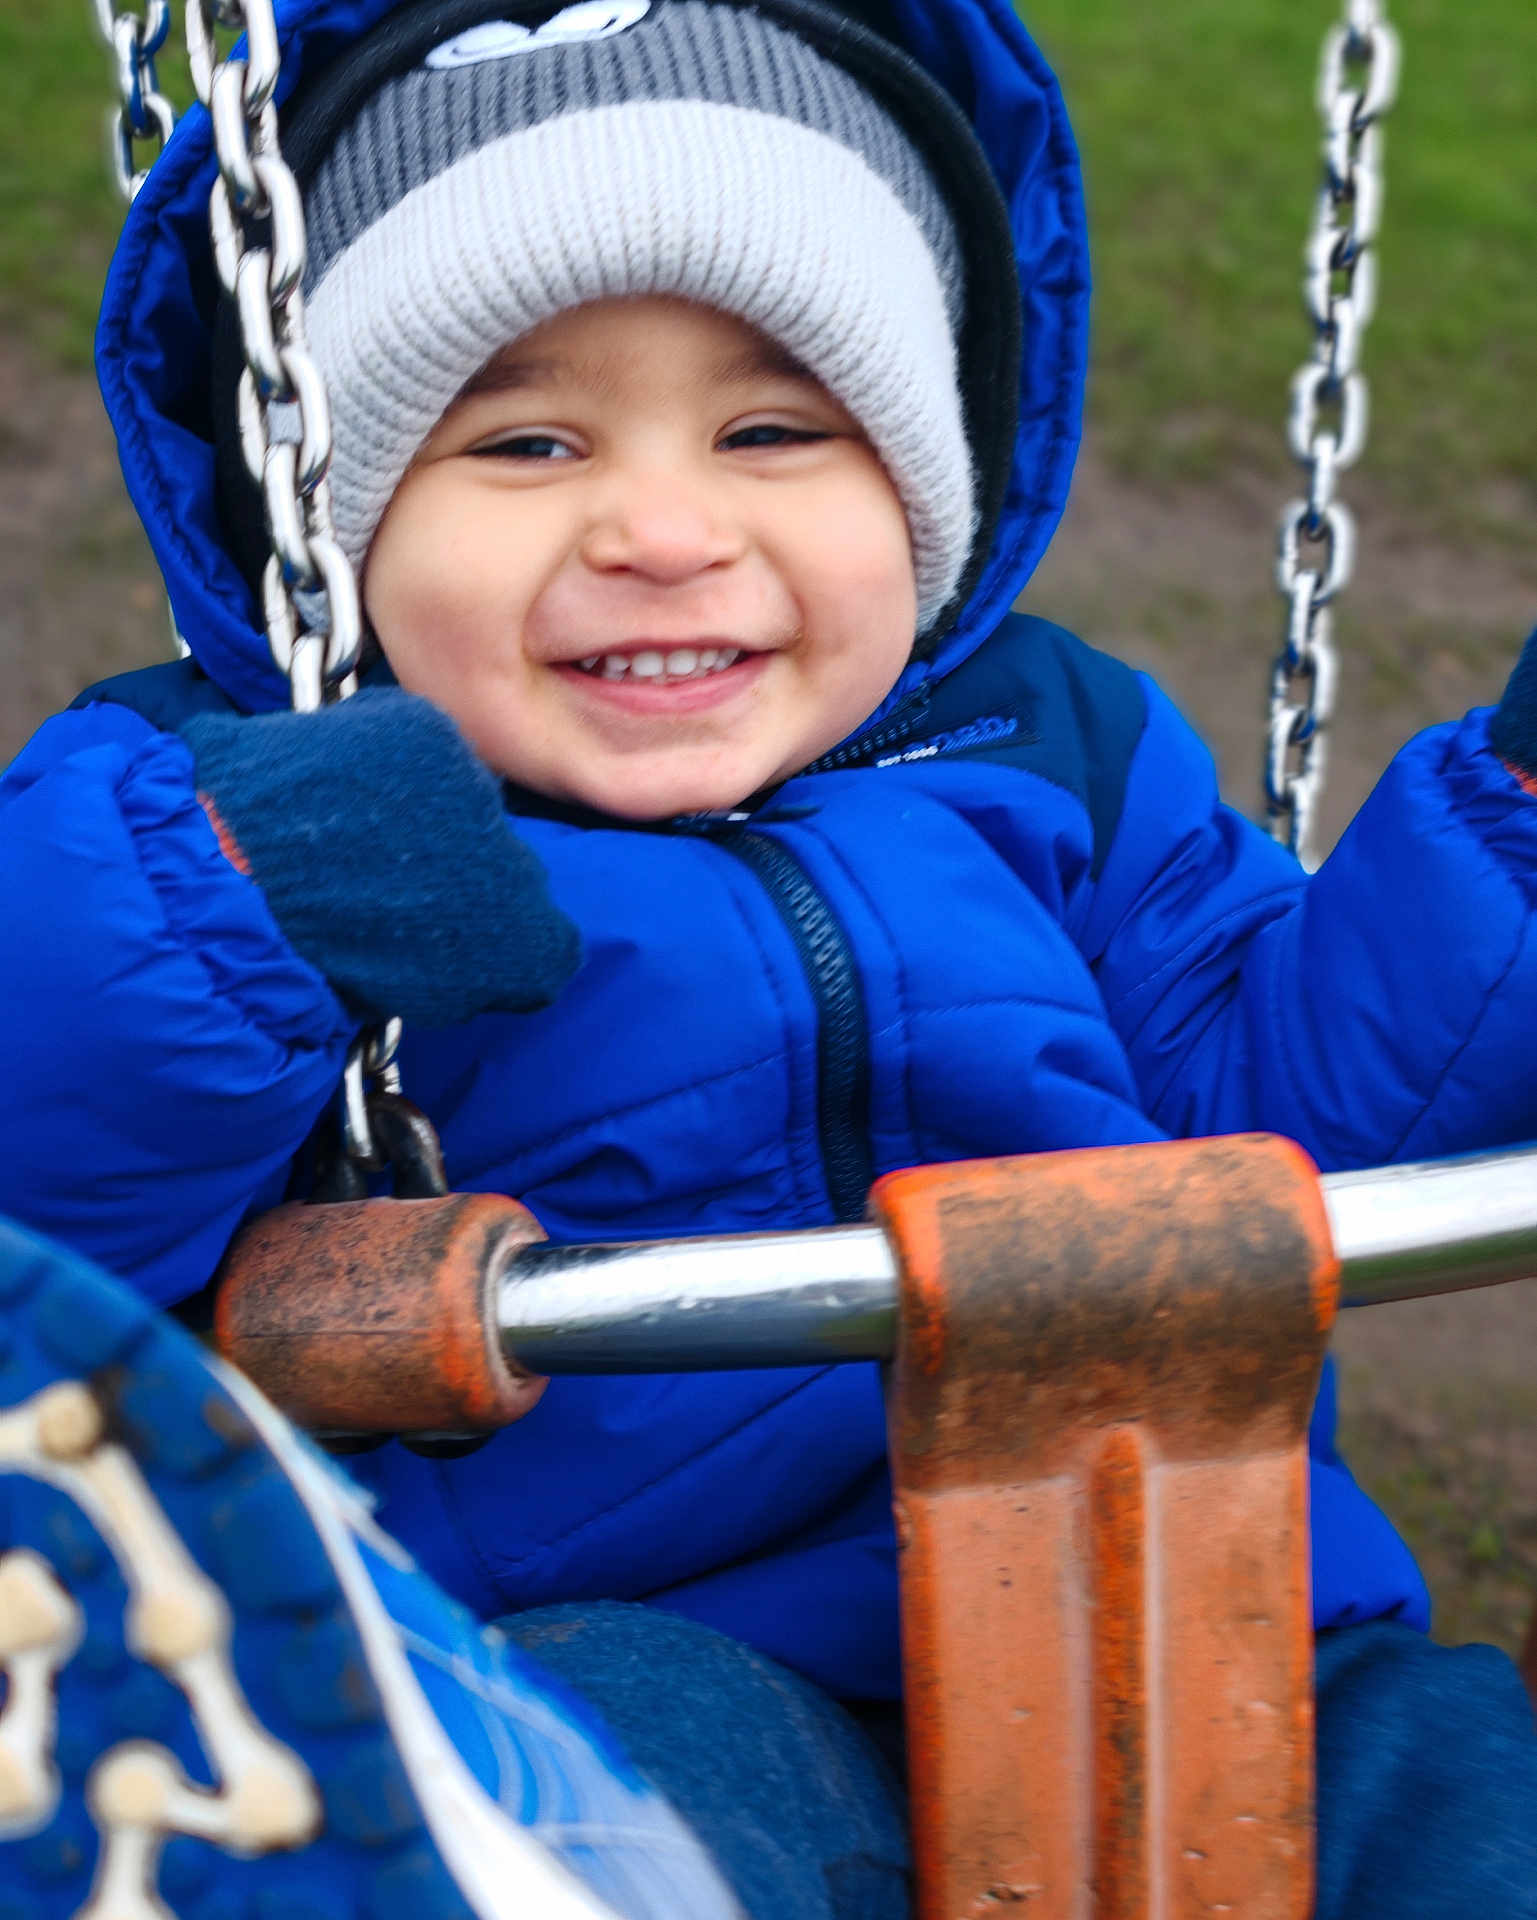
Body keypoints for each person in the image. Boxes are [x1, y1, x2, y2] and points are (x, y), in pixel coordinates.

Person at [1, 0, 1536, 1913]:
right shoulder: (221, 806)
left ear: (919, 477)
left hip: (1175, 1565)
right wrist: (227, 895)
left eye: (771, 430)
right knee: (601, 1832)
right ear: (329, 506)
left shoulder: (1050, 746)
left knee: (1467, 1815)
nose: (661, 527)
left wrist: (1520, 835)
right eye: (528, 438)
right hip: (613, 1640)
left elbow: (1295, 1110)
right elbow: (41, 1213)